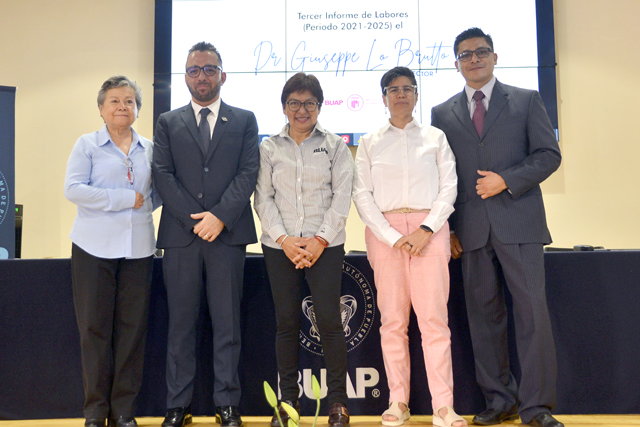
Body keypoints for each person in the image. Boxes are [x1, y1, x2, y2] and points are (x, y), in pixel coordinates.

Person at [430, 28, 563, 427]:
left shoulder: (525, 100)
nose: (474, 59)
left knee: (531, 315)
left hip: (519, 222)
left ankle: (536, 407)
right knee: (483, 318)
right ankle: (499, 399)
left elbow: (548, 155)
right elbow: (442, 177)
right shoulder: (441, 113)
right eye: (465, 54)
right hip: (470, 230)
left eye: (481, 51)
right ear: (456, 63)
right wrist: (448, 228)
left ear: (494, 56)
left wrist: (506, 179)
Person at [152, 42, 259, 427]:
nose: (202, 76)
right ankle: (177, 405)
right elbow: (162, 175)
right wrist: (197, 220)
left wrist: (219, 217)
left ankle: (226, 403)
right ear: (185, 77)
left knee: (228, 324)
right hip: (182, 237)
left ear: (223, 75)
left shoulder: (245, 120)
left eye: (210, 69)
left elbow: (248, 173)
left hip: (227, 236)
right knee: (181, 324)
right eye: (195, 70)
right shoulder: (167, 121)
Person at [353, 67, 465, 427]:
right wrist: (392, 235)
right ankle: (398, 401)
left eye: (408, 89)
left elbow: (449, 187)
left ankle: (443, 407)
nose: (401, 94)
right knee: (392, 323)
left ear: (416, 95)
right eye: (393, 89)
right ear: (383, 97)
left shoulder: (435, 137)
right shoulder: (369, 142)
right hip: (385, 235)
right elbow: (362, 195)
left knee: (434, 322)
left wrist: (426, 229)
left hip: (429, 232)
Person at [254, 72, 353, 427]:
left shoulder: (337, 145)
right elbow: (262, 199)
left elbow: (342, 198)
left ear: (319, 107)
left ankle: (338, 404)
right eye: (294, 103)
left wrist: (319, 240)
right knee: (286, 323)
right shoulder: (269, 147)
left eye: (309, 103)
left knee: (329, 323)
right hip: (280, 247)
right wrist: (285, 240)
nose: (301, 110)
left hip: (325, 246)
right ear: (284, 107)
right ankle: (288, 404)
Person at [64, 75, 161, 427]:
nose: (123, 107)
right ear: (102, 108)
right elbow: (73, 189)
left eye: (129, 101)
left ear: (137, 109)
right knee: (94, 330)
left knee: (132, 331)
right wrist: (123, 200)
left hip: (138, 249)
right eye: (115, 101)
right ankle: (94, 411)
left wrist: (142, 206)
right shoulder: (87, 145)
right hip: (93, 247)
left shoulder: (149, 148)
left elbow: (158, 191)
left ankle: (123, 411)